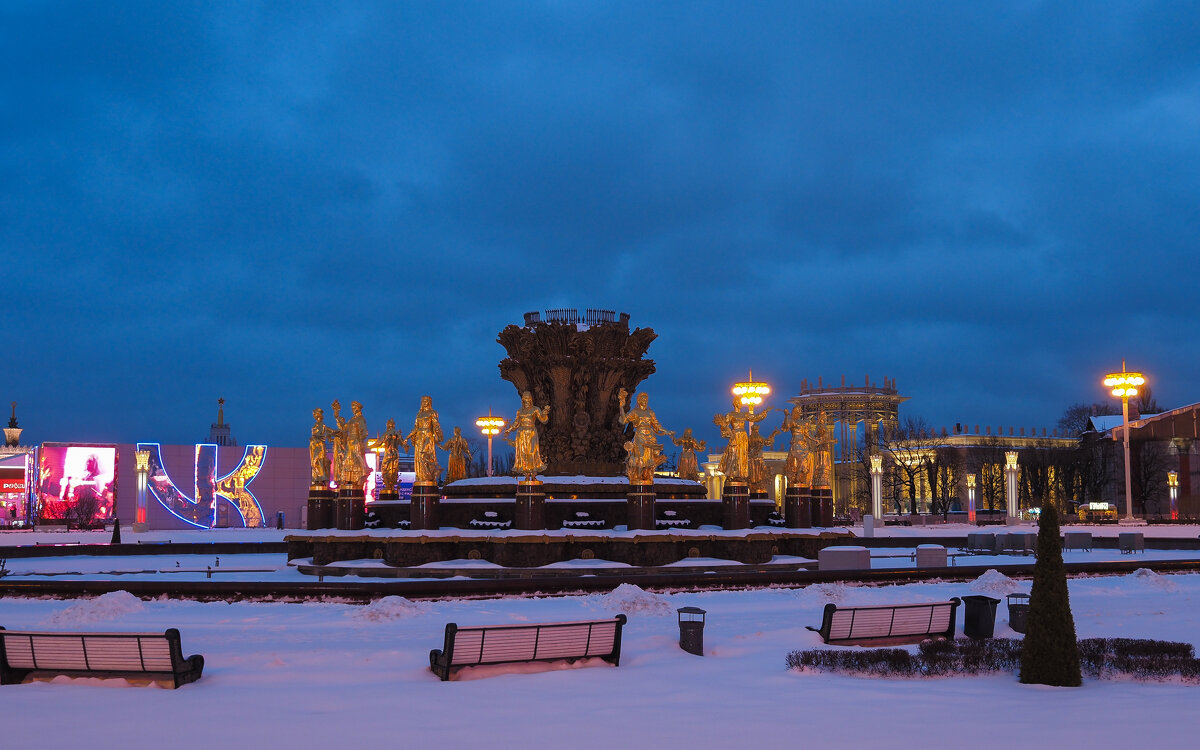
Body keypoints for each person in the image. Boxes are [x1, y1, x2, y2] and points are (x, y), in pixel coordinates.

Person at [617, 388, 673, 483]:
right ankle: (638, 475)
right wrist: (621, 407)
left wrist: (666, 431)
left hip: (650, 436)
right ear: (638, 400)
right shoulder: (635, 411)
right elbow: (624, 419)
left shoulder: (650, 412)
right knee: (640, 455)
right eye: (642, 399)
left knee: (651, 455)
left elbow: (656, 424)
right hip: (640, 435)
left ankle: (647, 474)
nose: (645, 400)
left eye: (646, 399)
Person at [714, 399, 772, 483]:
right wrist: (724, 427)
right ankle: (730, 474)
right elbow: (724, 426)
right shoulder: (730, 414)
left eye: (740, 402)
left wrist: (764, 413)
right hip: (735, 436)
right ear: (734, 403)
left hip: (743, 436)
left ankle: (740, 475)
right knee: (733, 455)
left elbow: (755, 418)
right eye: (738, 402)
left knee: (742, 456)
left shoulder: (744, 414)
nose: (740, 403)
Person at [505, 391, 550, 480]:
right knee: (523, 452)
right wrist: (509, 429)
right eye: (524, 397)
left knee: (532, 451)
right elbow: (517, 422)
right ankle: (526, 474)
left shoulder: (535, 409)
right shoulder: (520, 411)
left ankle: (533, 474)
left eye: (527, 397)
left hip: (531, 432)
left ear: (530, 398)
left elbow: (543, 419)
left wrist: (544, 413)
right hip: (521, 433)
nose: (525, 399)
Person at [406, 396, 444, 484]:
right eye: (423, 401)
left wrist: (439, 434)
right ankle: (421, 476)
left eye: (427, 400)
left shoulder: (432, 412)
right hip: (419, 436)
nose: (425, 402)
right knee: (419, 456)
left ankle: (429, 475)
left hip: (428, 435)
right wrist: (407, 438)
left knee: (425, 454)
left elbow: (436, 425)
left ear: (430, 402)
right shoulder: (419, 414)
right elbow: (415, 428)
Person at [309, 408, 334, 488]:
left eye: (315, 413)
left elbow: (326, 433)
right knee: (314, 463)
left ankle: (323, 479)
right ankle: (316, 479)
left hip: (319, 446)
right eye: (313, 414)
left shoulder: (322, 425)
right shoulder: (316, 424)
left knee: (318, 462)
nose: (314, 415)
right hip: (313, 445)